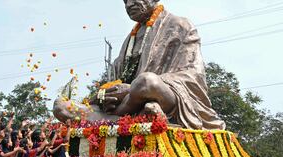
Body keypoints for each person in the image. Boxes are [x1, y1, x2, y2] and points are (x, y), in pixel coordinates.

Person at [52, 0, 225, 130]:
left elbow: (194, 74)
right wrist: (103, 96)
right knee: (61, 106)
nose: (129, 4)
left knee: (146, 82)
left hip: (165, 97)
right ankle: (134, 120)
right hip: (127, 105)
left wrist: (130, 89)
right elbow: (113, 82)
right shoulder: (130, 39)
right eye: (125, 0)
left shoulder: (180, 25)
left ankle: (118, 121)